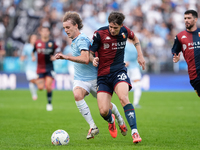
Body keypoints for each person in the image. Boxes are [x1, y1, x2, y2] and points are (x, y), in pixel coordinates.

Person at [55, 11, 127, 139]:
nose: (65, 30)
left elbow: (84, 58)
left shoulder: (82, 39)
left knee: (106, 107)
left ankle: (119, 120)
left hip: (95, 78)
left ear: (76, 26)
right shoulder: (76, 39)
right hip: (80, 79)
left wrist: (66, 57)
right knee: (77, 95)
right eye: (64, 27)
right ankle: (93, 127)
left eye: (68, 27)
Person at [89, 11, 145, 143]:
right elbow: (91, 52)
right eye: (111, 27)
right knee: (103, 111)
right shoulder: (99, 33)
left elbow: (135, 38)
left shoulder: (125, 31)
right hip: (103, 75)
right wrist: (93, 59)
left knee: (123, 98)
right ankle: (112, 120)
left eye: (116, 28)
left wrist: (140, 55)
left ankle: (135, 132)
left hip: (119, 71)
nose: (113, 30)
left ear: (121, 26)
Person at [172, 10, 200, 97]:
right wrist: (175, 57)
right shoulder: (180, 36)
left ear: (195, 19)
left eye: (189, 18)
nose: (186, 20)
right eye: (185, 18)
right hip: (194, 75)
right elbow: (175, 51)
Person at [32, 26, 58, 111]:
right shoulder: (37, 43)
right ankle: (33, 81)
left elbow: (57, 52)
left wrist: (54, 57)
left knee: (49, 86)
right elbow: (33, 51)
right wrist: (33, 57)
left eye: (46, 31)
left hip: (49, 68)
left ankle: (49, 104)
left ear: (49, 32)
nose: (45, 33)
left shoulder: (52, 43)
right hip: (40, 68)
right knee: (40, 88)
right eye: (43, 31)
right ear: (41, 32)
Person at [124, 39, 142, 108]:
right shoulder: (125, 44)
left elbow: (139, 54)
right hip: (126, 66)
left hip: (134, 66)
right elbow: (119, 53)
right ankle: (126, 102)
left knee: (138, 84)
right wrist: (123, 61)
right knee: (124, 86)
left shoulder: (136, 44)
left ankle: (136, 103)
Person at [20, 34, 38, 100]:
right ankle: (34, 95)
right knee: (32, 80)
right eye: (33, 38)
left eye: (35, 38)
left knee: (34, 81)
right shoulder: (27, 47)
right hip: (29, 67)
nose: (34, 40)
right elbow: (23, 56)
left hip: (37, 67)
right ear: (30, 39)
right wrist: (22, 59)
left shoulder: (39, 46)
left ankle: (36, 92)